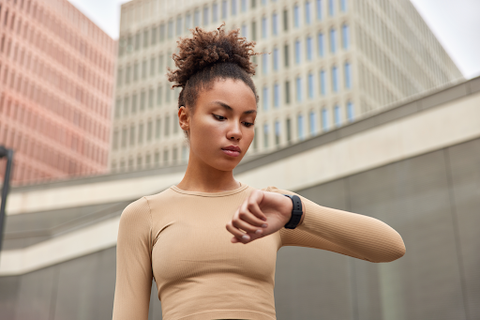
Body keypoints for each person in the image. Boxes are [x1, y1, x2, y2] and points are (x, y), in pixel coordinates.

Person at [112, 24, 406, 320]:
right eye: (220, 116)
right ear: (184, 117)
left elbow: (391, 247)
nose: (236, 132)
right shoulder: (144, 215)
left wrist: (297, 211)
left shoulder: (268, 206)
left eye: (248, 122)